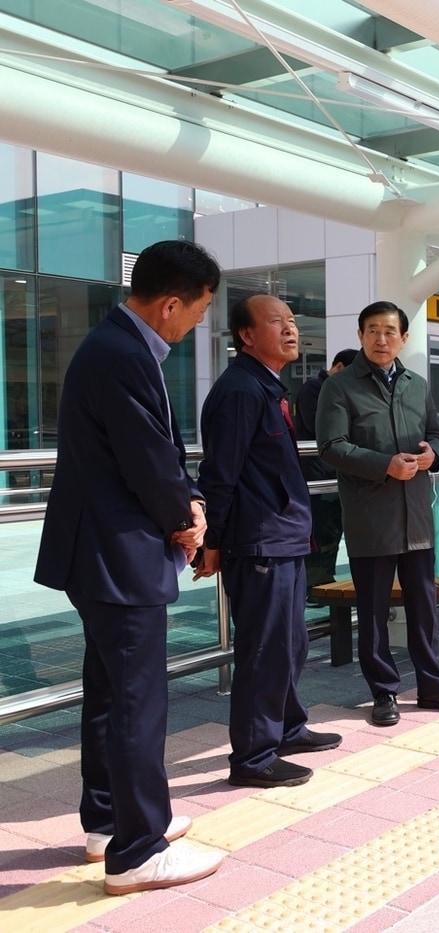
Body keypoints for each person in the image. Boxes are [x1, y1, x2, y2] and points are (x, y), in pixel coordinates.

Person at [33, 240, 225, 894]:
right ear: (171, 303)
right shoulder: (122, 355)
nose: (197, 321)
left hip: (100, 554)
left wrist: (188, 500)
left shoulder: (115, 346)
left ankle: (109, 821)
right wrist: (186, 518)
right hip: (118, 555)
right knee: (138, 700)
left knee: (112, 693)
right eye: (199, 309)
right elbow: (147, 458)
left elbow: (157, 453)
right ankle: (138, 850)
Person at [195, 295, 341, 788]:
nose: (290, 329)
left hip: (285, 538)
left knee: (291, 643)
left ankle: (287, 728)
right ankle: (254, 757)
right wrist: (212, 539)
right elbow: (220, 473)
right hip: (259, 543)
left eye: (292, 321)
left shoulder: (267, 386)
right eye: (277, 322)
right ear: (246, 335)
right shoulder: (240, 391)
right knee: (264, 651)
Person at [316, 301, 439, 727]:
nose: (381, 338)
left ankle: (432, 685)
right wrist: (384, 465)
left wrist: (432, 455)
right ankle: (383, 691)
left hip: (417, 514)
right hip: (371, 516)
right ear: (360, 336)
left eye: (390, 331)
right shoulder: (340, 387)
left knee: (424, 605)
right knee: (373, 610)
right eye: (372, 330)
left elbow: (437, 434)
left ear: (403, 338)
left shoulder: (416, 385)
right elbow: (331, 447)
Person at [295, 347, 358, 589]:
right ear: (339, 367)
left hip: (334, 472)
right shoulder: (313, 388)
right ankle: (316, 585)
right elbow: (320, 427)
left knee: (333, 529)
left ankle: (323, 580)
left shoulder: (341, 390)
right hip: (316, 473)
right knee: (321, 530)